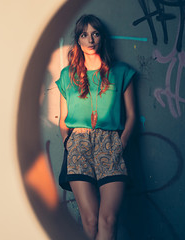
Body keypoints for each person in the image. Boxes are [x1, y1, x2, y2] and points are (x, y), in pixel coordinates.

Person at [56, 14, 136, 240]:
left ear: (102, 38)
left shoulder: (120, 72)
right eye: (84, 35)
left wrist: (121, 142)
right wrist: (68, 142)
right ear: (78, 40)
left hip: (110, 144)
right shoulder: (67, 75)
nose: (90, 40)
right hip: (78, 145)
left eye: (95, 34)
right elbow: (63, 119)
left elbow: (131, 115)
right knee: (90, 222)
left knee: (108, 220)